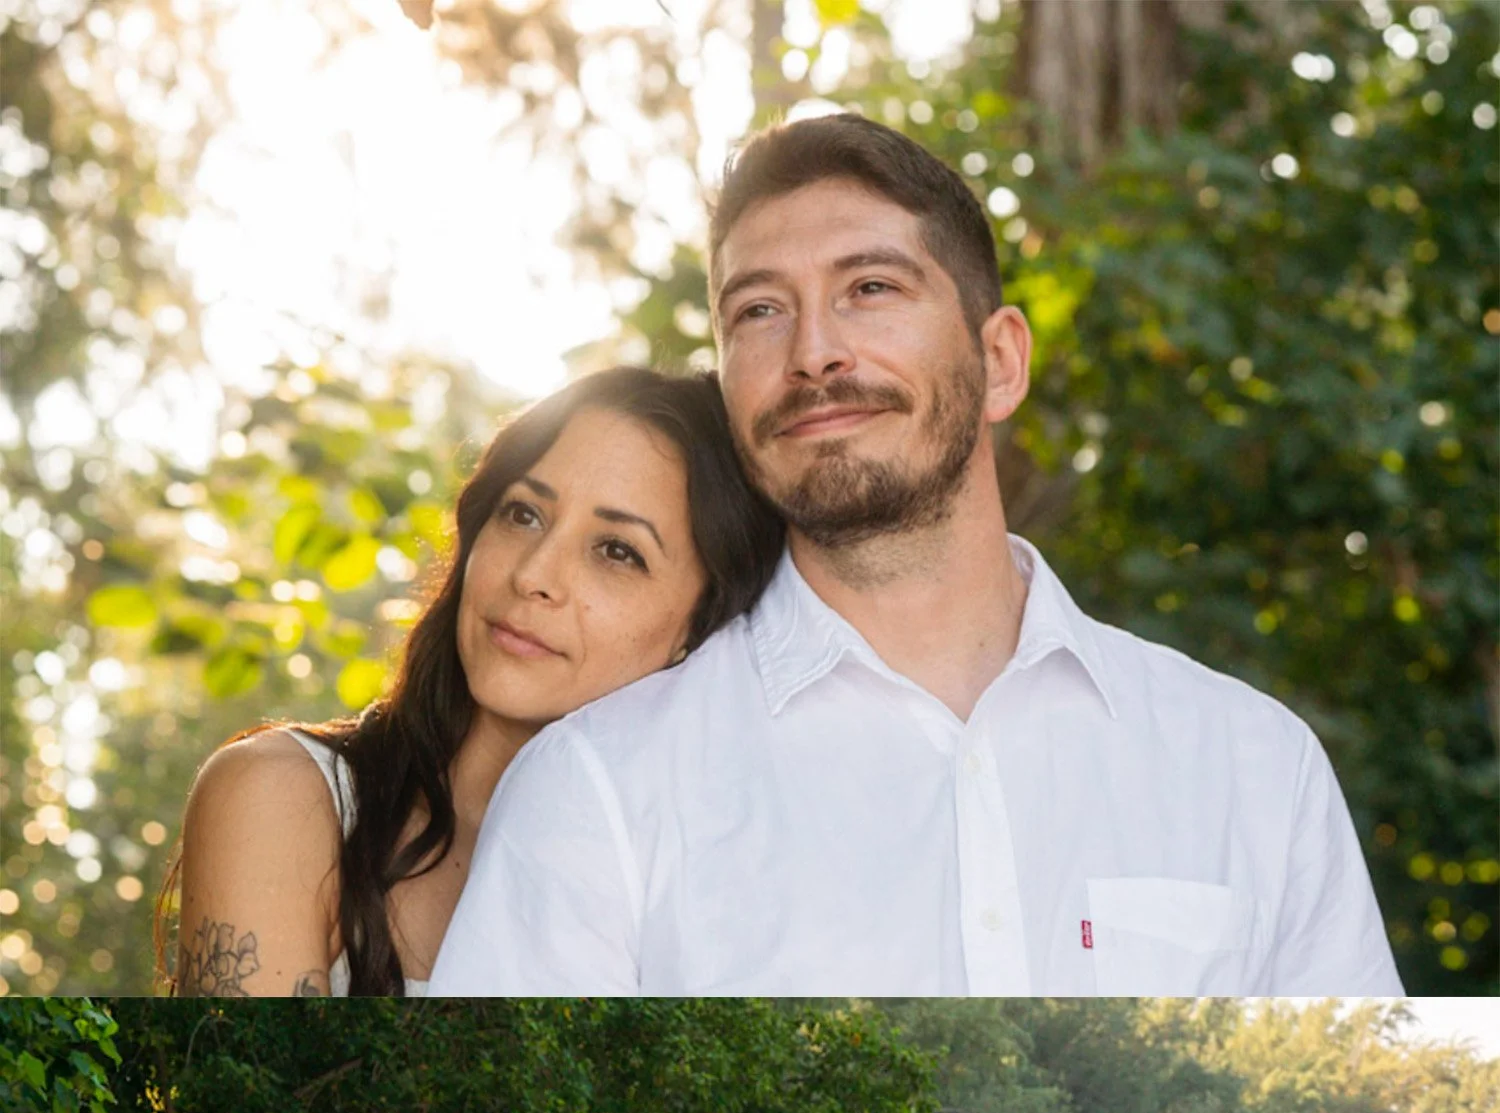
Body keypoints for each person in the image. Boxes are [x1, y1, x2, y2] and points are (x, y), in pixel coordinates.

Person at [430, 113, 1402, 998]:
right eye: (758, 311)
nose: (813, 351)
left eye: (870, 288)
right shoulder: (596, 790)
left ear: (1003, 362)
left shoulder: (1252, 765)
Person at [167, 367, 783, 995]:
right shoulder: (286, 797)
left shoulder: (708, 897)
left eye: (616, 551)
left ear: (702, 628)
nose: (534, 573)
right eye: (523, 514)